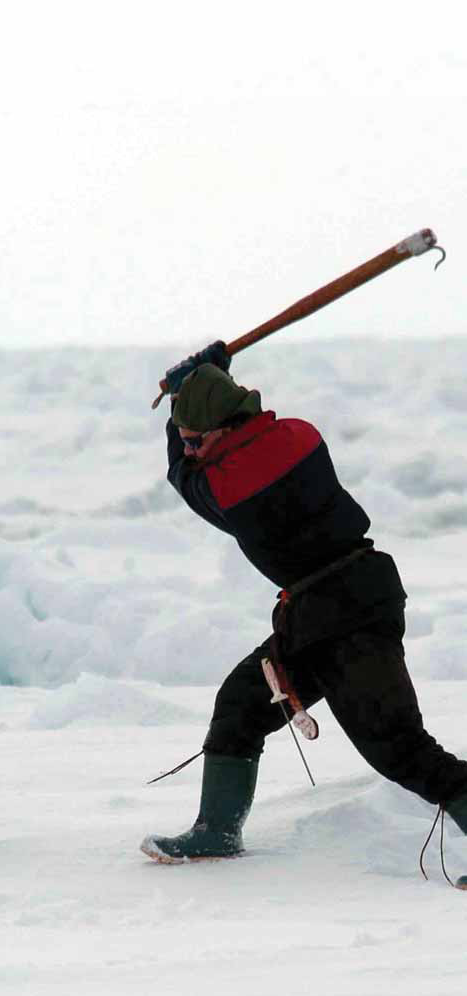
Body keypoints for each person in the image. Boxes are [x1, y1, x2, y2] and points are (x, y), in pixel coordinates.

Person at [140, 343, 467, 864]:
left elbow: (184, 477)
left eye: (197, 440)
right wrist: (201, 387)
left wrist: (183, 391)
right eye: (186, 439)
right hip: (330, 606)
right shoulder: (300, 434)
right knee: (242, 706)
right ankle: (216, 833)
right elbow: (205, 448)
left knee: (399, 748)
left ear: (225, 427)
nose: (191, 448)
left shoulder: (234, 487)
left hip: (348, 614)